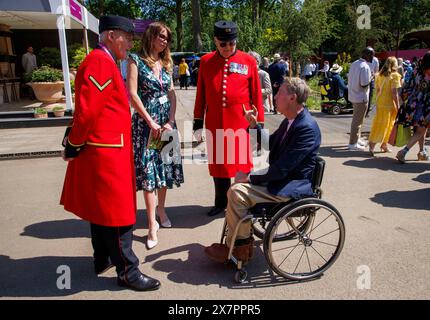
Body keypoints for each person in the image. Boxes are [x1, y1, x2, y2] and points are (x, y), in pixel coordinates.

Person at [60, 15, 160, 292]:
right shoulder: (99, 62)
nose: (129, 43)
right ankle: (128, 271)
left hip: (109, 148)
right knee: (119, 215)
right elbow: (88, 111)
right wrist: (73, 143)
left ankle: (101, 257)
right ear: (111, 35)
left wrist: (75, 141)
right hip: (106, 152)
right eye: (127, 38)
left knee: (101, 210)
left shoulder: (106, 61)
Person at [204, 77, 321, 264]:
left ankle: (239, 251)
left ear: (292, 98)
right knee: (237, 186)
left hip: (289, 186)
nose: (274, 97)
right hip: (282, 180)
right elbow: (270, 144)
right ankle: (236, 241)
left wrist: (250, 177)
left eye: (279, 93)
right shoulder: (291, 121)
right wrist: (253, 125)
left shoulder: (305, 128)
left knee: (236, 193)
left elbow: (281, 169)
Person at [193, 20, 264, 217]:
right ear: (215, 41)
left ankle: (242, 202)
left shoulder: (248, 61)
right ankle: (220, 202)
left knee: (242, 166)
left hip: (241, 123)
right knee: (219, 166)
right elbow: (201, 95)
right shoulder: (206, 61)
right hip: (215, 123)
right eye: (223, 44)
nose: (227, 48)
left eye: (231, 43)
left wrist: (259, 125)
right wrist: (198, 123)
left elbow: (256, 94)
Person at [127, 21, 184, 249]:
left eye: (167, 38)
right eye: (161, 36)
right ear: (150, 36)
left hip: (167, 125)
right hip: (146, 124)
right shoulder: (136, 61)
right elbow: (132, 94)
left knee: (165, 169)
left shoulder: (167, 63)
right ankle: (151, 224)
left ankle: (161, 209)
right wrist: (150, 121)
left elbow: (171, 96)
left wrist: (170, 121)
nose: (164, 41)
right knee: (149, 172)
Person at [396, 51, 430, 163]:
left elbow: (408, 85)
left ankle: (422, 152)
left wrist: (403, 99)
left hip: (414, 104)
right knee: (420, 130)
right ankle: (403, 152)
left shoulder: (416, 70)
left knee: (420, 129)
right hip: (426, 106)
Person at [368, 57, 401, 156]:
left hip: (380, 103)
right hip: (390, 103)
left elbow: (377, 90)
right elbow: (394, 93)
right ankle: (379, 144)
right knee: (388, 125)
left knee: (379, 123)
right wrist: (398, 105)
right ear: (394, 65)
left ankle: (376, 144)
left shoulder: (379, 75)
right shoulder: (395, 76)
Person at [347, 47, 373, 151]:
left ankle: (356, 140)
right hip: (361, 97)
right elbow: (363, 84)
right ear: (366, 55)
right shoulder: (365, 66)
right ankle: (352, 143)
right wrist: (371, 78)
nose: (373, 57)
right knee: (357, 121)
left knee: (358, 120)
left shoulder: (355, 63)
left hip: (353, 95)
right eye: (372, 55)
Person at [365, 51, 379, 118]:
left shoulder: (375, 60)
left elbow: (376, 71)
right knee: (367, 95)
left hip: (370, 78)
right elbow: (376, 71)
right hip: (366, 78)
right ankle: (365, 110)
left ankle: (367, 111)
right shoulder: (373, 59)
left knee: (369, 95)